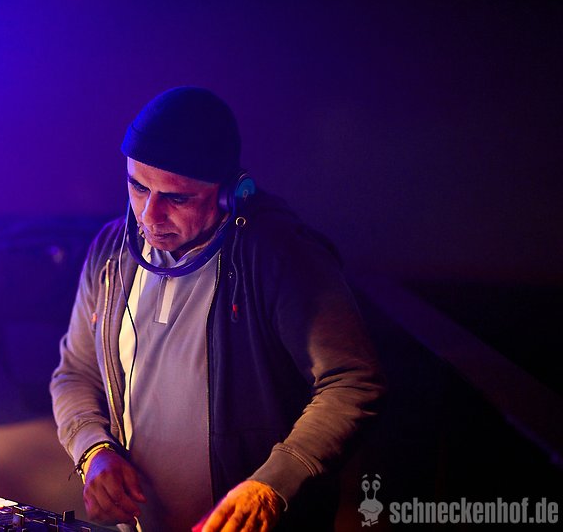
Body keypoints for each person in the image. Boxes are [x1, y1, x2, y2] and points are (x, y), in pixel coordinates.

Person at [50, 87, 385, 531]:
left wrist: (273, 485)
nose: (149, 215)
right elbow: (74, 373)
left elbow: (351, 382)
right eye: (138, 186)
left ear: (230, 194)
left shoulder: (281, 256)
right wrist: (94, 450)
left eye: (177, 198)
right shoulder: (111, 252)